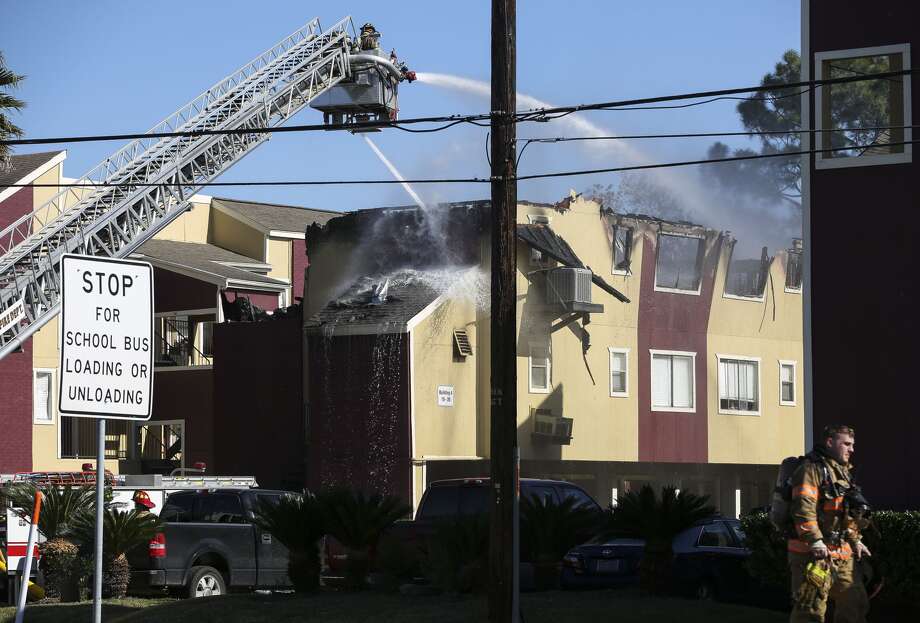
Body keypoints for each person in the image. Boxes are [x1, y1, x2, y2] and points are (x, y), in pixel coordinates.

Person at [788, 425, 871, 622]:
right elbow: (803, 509)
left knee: (855, 605)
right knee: (810, 611)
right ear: (830, 442)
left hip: (842, 555)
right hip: (813, 556)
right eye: (846, 444)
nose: (852, 449)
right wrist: (815, 541)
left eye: (852, 445)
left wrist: (855, 540)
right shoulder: (810, 470)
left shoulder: (843, 472)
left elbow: (845, 513)